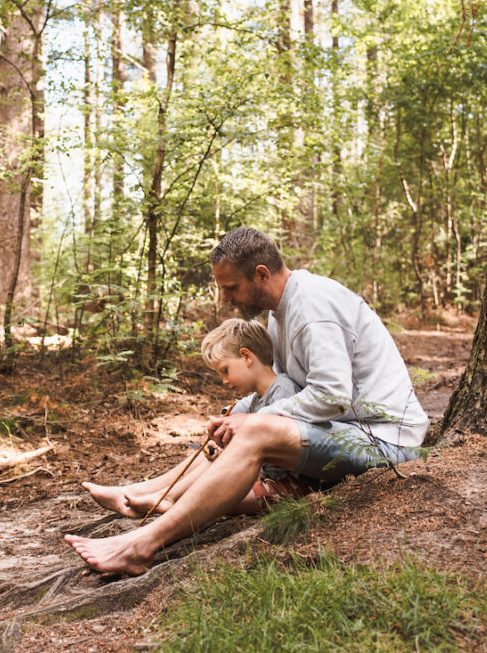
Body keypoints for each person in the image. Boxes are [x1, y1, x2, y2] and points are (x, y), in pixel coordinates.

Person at [66, 226, 430, 575]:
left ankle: (140, 546)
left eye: (231, 287)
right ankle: (149, 494)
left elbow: (332, 396)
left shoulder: (313, 308)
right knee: (244, 418)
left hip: (385, 441)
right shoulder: (279, 313)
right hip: (345, 431)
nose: (225, 298)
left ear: (261, 274)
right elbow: (286, 386)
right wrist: (241, 413)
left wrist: (256, 420)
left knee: (254, 429)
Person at [84, 317, 310, 519]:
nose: (224, 380)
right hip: (263, 477)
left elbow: (280, 464)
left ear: (246, 357)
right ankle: (141, 492)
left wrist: (231, 457)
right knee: (212, 451)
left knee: (203, 494)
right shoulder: (257, 399)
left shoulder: (283, 392)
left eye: (225, 370)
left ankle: (167, 498)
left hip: (280, 486)